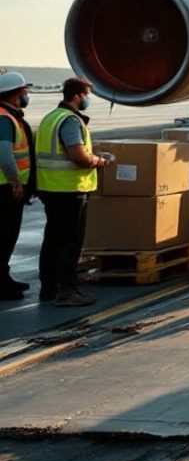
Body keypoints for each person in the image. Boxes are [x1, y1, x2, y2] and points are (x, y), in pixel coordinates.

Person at [36, 77, 111, 307]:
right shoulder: (70, 121)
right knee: (70, 242)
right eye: (87, 95)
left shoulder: (51, 117)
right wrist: (99, 161)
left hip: (50, 188)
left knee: (52, 240)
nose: (88, 100)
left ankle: (48, 288)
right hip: (70, 190)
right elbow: (78, 156)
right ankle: (67, 292)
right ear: (77, 96)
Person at [0, 73, 34, 301]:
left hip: (8, 187)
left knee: (7, 237)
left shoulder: (10, 117)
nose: (26, 96)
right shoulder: (4, 119)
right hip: (5, 189)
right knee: (4, 236)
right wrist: (16, 183)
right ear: (15, 94)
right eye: (24, 92)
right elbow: (4, 155)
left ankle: (4, 278)